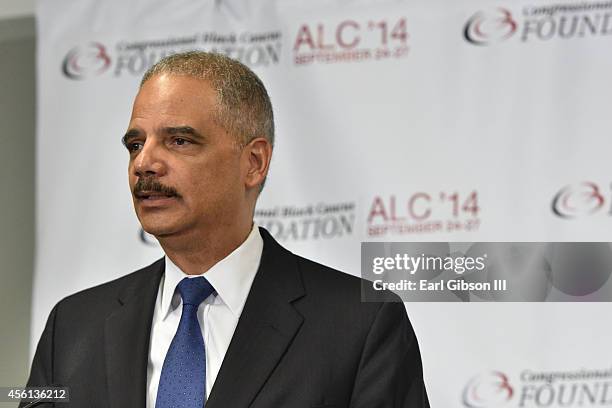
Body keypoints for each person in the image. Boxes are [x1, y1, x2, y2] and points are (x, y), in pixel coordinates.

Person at [22, 51, 429, 408]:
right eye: (135, 144)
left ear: (253, 162)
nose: (144, 163)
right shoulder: (73, 327)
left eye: (179, 141)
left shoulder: (361, 323)